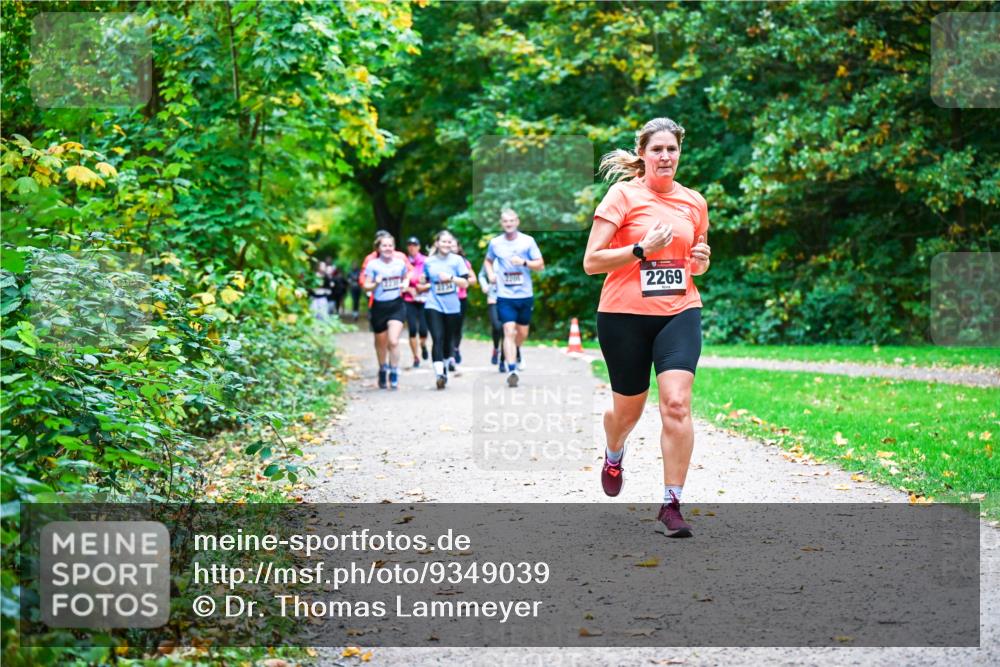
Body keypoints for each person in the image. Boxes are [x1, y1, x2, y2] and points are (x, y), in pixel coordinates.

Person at [582, 117, 712, 538]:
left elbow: (696, 261)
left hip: (679, 311)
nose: (665, 156)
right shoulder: (622, 196)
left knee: (676, 403)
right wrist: (640, 249)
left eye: (672, 149)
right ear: (642, 154)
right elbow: (591, 261)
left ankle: (671, 505)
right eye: (657, 149)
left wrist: (701, 263)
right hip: (623, 316)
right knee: (627, 412)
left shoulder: (694, 202)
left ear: (680, 153)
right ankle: (614, 451)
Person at [483, 208, 544, 387]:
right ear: (501, 223)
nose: (508, 224)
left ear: (517, 222)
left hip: (525, 295)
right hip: (505, 296)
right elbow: (488, 261)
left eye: (511, 221)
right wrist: (490, 274)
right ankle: (512, 370)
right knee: (508, 331)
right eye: (505, 221)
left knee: (522, 333)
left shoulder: (528, 241)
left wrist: (524, 262)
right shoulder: (495, 243)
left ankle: (516, 350)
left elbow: (540, 265)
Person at [417, 230, 469, 389]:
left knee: (448, 340)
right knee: (437, 338)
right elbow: (424, 279)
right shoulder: (429, 261)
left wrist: (451, 278)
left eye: (449, 242)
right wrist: (422, 280)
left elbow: (465, 283)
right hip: (433, 304)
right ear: (437, 243)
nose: (446, 244)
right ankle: (439, 374)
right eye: (443, 242)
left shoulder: (458, 260)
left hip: (452, 306)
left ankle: (444, 368)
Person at [364, 234, 411, 390]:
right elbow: (366, 286)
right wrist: (375, 284)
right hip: (379, 307)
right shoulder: (372, 265)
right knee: (381, 343)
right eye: (384, 245)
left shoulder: (400, 263)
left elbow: (406, 277)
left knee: (394, 341)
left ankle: (394, 370)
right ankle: (382, 368)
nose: (387, 248)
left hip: (396, 305)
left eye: (390, 245)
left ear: (394, 247)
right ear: (378, 248)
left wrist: (405, 284)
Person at [403, 236, 430, 367]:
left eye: (414, 245)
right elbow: (399, 282)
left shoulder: (426, 261)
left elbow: (433, 280)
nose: (412, 247)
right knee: (412, 329)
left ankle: (423, 345)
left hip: (424, 300)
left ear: (419, 247)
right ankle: (415, 357)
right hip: (409, 300)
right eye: (409, 245)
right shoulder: (404, 262)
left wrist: (423, 287)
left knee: (423, 330)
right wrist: (409, 289)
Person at [452, 243, 477, 367]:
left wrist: (462, 281)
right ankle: (450, 353)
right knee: (447, 326)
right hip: (445, 299)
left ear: (458, 248)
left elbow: (473, 279)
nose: (451, 248)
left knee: (457, 326)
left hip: (460, 298)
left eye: (453, 245)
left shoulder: (464, 262)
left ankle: (455, 348)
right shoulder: (439, 262)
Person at [478, 260, 503, 368]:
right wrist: (484, 286)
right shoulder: (491, 259)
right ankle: (496, 349)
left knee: (506, 329)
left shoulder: (512, 257)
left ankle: (503, 360)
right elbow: (481, 275)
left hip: (509, 298)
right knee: (497, 326)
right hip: (493, 298)